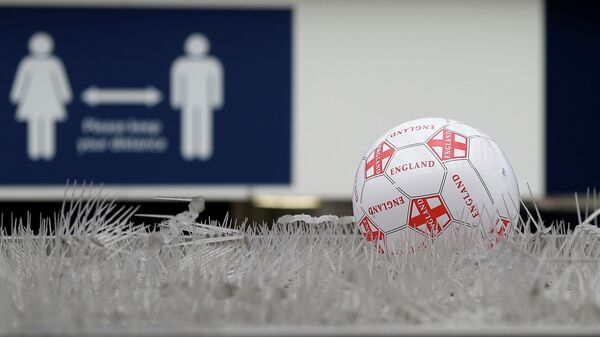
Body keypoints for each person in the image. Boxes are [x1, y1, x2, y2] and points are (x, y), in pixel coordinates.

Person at [10, 32, 72, 161]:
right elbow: (21, 80)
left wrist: (65, 95)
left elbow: (60, 81)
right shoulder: (27, 63)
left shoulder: (54, 63)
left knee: (48, 124)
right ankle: (34, 151)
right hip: (32, 100)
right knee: (34, 124)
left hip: (50, 100)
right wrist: (16, 96)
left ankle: (48, 151)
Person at [170, 33, 224, 161]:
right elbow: (177, 83)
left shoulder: (212, 64)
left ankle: (204, 151)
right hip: (188, 100)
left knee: (204, 124)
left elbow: (216, 83)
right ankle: (188, 151)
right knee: (188, 124)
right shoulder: (181, 64)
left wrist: (216, 100)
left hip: (205, 101)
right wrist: (176, 99)